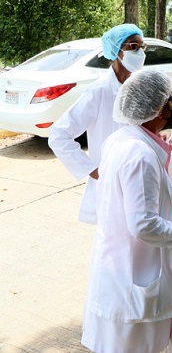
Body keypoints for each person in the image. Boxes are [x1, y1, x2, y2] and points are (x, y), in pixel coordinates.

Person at [81, 69, 172, 352]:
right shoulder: (140, 155)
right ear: (158, 110)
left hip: (118, 265)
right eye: (169, 100)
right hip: (133, 272)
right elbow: (143, 224)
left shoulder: (120, 140)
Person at [48, 23, 147, 224]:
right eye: (133, 47)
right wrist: (94, 171)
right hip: (110, 184)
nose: (140, 52)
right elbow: (59, 135)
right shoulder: (98, 91)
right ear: (116, 50)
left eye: (142, 47)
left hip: (138, 176)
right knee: (116, 243)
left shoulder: (139, 86)